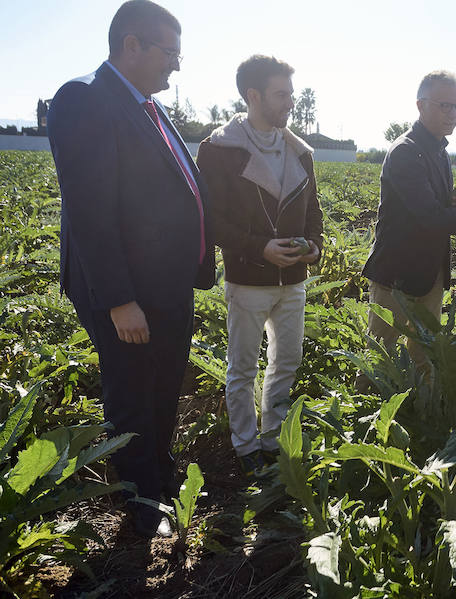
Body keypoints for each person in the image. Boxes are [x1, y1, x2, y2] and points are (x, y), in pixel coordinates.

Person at [47, 0, 214, 538]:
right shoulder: (86, 99)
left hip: (164, 285)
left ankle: (159, 480)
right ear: (132, 45)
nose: (177, 65)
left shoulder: (145, 104)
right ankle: (141, 504)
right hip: (127, 292)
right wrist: (119, 298)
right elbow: (91, 209)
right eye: (170, 53)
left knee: (164, 385)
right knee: (134, 389)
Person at [197, 56, 323, 475]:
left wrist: (314, 247)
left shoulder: (299, 151)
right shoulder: (219, 151)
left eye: (290, 93)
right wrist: (259, 247)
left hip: (293, 279)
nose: (290, 101)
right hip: (249, 278)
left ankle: (273, 438)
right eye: (281, 94)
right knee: (243, 365)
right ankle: (246, 445)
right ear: (253, 96)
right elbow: (212, 221)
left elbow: (314, 215)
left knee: (286, 360)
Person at [360, 70, 456, 377]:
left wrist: (451, 199)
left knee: (424, 357)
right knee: (381, 359)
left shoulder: (438, 151)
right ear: (420, 105)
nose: (452, 113)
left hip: (429, 276)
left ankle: (423, 419)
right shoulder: (405, 151)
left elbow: (428, 206)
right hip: (396, 278)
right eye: (444, 105)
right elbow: (428, 216)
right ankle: (364, 422)